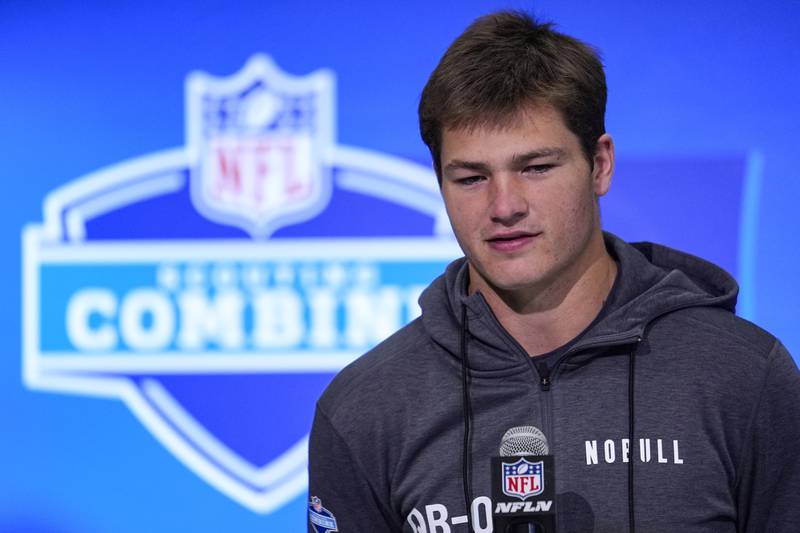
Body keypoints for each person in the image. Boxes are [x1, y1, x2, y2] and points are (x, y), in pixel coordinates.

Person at [308, 11, 800, 533]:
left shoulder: (743, 377)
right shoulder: (365, 409)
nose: (504, 206)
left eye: (536, 168)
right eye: (472, 177)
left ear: (600, 164)